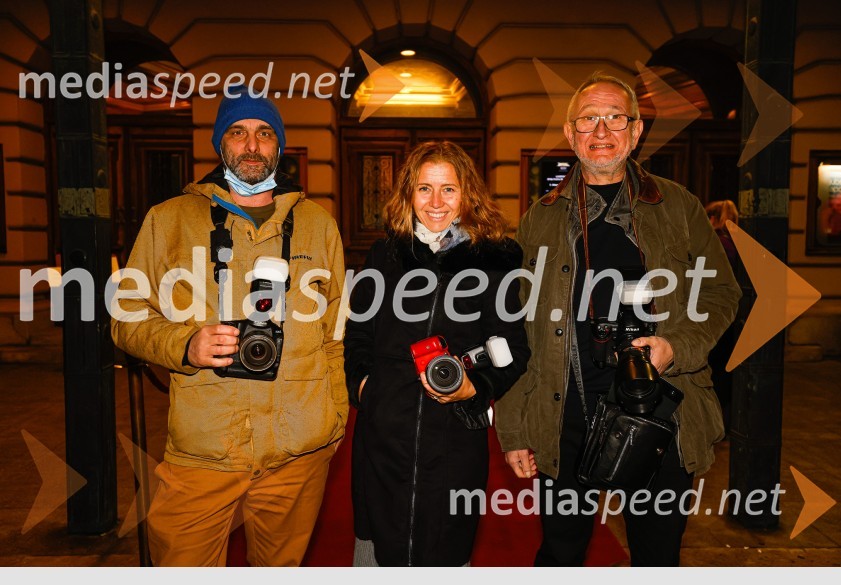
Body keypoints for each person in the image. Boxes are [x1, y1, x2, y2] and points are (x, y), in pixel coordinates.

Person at [495, 72, 741, 566]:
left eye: (615, 118)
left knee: (656, 558)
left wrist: (677, 346)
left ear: (636, 131)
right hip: (564, 412)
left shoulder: (678, 207)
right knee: (561, 555)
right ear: (570, 134)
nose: (602, 131)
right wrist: (516, 429)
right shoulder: (539, 217)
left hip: (660, 414)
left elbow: (721, 292)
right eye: (589, 119)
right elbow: (518, 327)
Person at [111, 88, 348, 566]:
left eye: (264, 134)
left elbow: (335, 332)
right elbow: (125, 314)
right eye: (238, 133)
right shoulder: (169, 221)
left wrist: (333, 421)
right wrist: (184, 343)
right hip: (205, 449)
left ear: (278, 146)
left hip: (297, 450)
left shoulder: (318, 224)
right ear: (221, 145)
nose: (252, 145)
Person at [343, 141, 530, 566]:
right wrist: (367, 388)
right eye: (424, 188)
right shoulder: (384, 255)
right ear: (408, 193)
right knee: (376, 551)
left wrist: (474, 389)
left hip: (454, 437)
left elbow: (514, 350)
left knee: (446, 550)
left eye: (449, 189)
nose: (436, 202)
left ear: (468, 194)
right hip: (384, 435)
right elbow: (358, 336)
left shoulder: (495, 261)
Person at [705, 199, 740, 434]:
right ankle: (725, 423)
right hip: (732, 319)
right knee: (726, 374)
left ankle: (714, 424)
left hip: (713, 318)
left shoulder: (715, 245)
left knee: (714, 373)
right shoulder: (737, 244)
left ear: (713, 219)